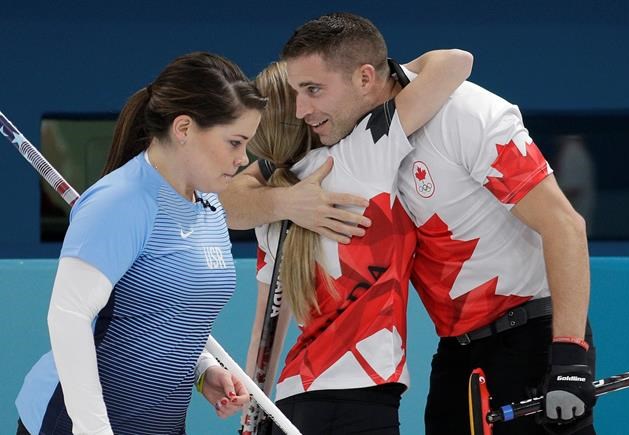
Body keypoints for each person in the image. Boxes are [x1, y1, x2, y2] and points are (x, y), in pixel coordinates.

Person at [221, 13, 596, 435]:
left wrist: (569, 356)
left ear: (365, 78)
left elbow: (565, 225)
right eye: (294, 94)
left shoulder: (464, 114)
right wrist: (287, 200)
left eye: (312, 90)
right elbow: (234, 199)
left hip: (531, 339)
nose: (301, 109)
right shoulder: (347, 146)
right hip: (457, 352)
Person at [15, 52, 267, 435]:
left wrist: (203, 371)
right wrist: (93, 430)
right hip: (75, 423)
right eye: (234, 142)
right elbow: (69, 317)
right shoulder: (122, 201)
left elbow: (164, 310)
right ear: (184, 128)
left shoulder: (210, 205)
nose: (242, 157)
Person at [242, 49, 472, 435]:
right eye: (308, 91)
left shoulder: (269, 202)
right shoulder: (362, 152)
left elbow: (263, 335)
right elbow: (456, 62)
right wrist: (366, 76)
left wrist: (252, 421)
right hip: (362, 404)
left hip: (291, 401)